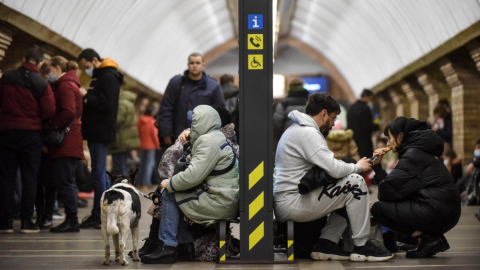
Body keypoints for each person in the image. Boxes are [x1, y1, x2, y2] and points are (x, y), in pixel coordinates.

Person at [273, 92, 393, 262]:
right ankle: (362, 247)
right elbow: (334, 169)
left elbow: (330, 167)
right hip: (292, 203)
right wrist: (358, 167)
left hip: (289, 200)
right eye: (333, 117)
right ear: (323, 114)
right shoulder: (307, 133)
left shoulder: (296, 129)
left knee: (346, 185)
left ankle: (326, 245)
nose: (333, 123)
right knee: (355, 183)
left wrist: (356, 166)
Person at [141, 105, 239, 264]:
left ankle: (168, 247)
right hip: (223, 198)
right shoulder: (214, 137)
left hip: (218, 202)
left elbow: (193, 175)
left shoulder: (208, 142)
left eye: (194, 122)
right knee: (175, 195)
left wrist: (169, 183)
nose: (192, 126)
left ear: (203, 122)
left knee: (169, 194)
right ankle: (184, 247)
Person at [370, 117, 461, 258]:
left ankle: (429, 239)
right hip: (444, 209)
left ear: (400, 136)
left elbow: (387, 192)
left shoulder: (413, 155)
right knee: (390, 207)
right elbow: (395, 190)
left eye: (389, 138)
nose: (387, 143)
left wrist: (377, 167)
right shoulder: (419, 151)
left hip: (437, 211)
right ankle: (428, 239)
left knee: (378, 209)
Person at [0, 46, 56, 233]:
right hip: (31, 135)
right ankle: (26, 222)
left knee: (6, 177)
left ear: (24, 58)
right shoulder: (42, 83)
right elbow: (49, 112)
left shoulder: (6, 78)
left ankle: (6, 222)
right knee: (29, 179)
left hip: (7, 132)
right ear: (40, 63)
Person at [77, 48, 123, 228]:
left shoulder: (109, 77)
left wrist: (85, 95)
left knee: (98, 173)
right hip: (97, 130)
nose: (85, 69)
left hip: (100, 131)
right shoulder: (103, 75)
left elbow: (106, 104)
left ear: (95, 60)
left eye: (86, 66)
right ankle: (103, 212)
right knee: (100, 173)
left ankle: (100, 214)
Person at [45, 56, 85, 233]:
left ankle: (72, 220)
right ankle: (71, 218)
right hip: (71, 140)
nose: (49, 74)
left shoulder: (65, 85)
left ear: (56, 67)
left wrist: (54, 126)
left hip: (66, 142)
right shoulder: (70, 83)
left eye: (50, 69)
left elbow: (68, 111)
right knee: (67, 180)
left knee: (65, 181)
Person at [156, 52, 225, 151]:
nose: (195, 66)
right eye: (192, 63)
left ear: (203, 65)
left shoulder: (213, 86)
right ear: (188, 65)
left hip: (204, 137)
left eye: (197, 63)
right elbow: (166, 108)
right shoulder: (176, 83)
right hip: (177, 135)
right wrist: (166, 132)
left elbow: (220, 112)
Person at [109, 89, 140, 175]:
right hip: (126, 140)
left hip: (121, 140)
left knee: (119, 167)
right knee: (122, 165)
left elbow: (117, 120)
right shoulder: (129, 103)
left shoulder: (122, 103)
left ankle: (124, 186)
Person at [136, 105, 160, 189]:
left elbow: (137, 132)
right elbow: (155, 135)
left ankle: (139, 183)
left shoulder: (140, 120)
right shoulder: (152, 121)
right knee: (148, 165)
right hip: (151, 146)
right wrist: (158, 145)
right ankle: (146, 183)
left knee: (141, 165)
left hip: (141, 145)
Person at [347, 89, 375, 159]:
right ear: (368, 97)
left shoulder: (351, 107)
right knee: (366, 161)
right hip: (364, 142)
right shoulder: (365, 108)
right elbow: (367, 126)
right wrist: (377, 126)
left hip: (353, 141)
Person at [220, 74, 239, 139]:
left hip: (219, 128)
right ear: (231, 82)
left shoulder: (217, 92)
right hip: (234, 126)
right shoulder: (238, 93)